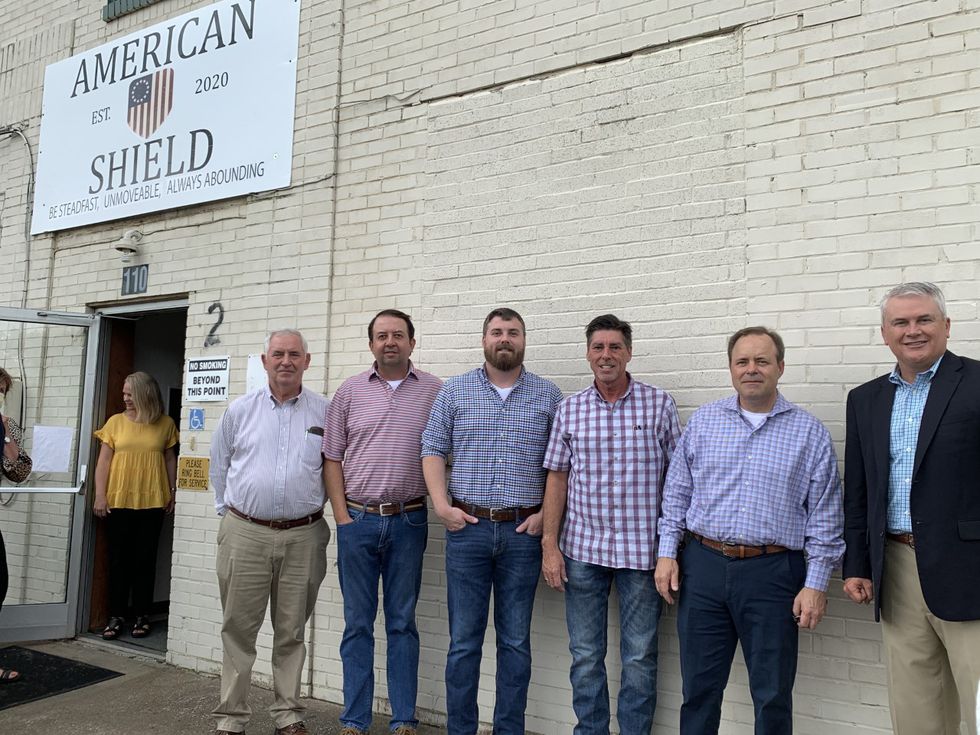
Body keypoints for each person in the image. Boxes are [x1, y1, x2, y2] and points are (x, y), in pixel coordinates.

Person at [655, 326, 844, 734]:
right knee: (699, 691)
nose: (752, 369)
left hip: (773, 574)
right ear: (730, 368)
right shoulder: (705, 422)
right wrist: (667, 553)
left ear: (780, 366)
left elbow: (825, 516)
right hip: (702, 568)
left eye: (762, 360)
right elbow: (677, 495)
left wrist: (816, 584)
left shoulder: (808, 433)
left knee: (772, 693)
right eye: (743, 361)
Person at [843, 282, 980, 735]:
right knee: (916, 709)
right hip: (897, 567)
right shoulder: (865, 399)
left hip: (970, 568)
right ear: (885, 333)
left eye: (923, 319)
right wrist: (857, 564)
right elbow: (859, 491)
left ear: (946, 326)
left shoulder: (977, 382)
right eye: (900, 322)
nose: (913, 330)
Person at [421, 307, 563, 735]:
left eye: (513, 332)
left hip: (523, 535)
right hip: (469, 532)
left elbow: (561, 466)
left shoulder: (549, 396)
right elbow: (432, 448)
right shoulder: (456, 391)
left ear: (524, 340)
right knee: (464, 643)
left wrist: (545, 517)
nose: (505, 338)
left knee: (515, 643)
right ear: (484, 339)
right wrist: (442, 506)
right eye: (497, 332)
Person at [541, 314, 681, 735]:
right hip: (583, 551)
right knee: (585, 655)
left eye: (615, 347)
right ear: (588, 354)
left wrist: (670, 550)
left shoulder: (659, 404)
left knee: (640, 657)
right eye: (598, 347)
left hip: (643, 555)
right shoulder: (570, 408)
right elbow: (557, 477)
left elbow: (679, 477)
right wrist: (550, 545)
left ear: (629, 353)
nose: (606, 355)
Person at [323, 309, 443, 735]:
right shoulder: (350, 392)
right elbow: (332, 457)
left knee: (401, 622)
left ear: (412, 342)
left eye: (398, 335)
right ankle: (354, 719)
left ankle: (404, 719)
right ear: (371, 343)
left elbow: (447, 453)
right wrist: (342, 516)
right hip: (358, 519)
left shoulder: (435, 391)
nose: (389, 341)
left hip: (409, 520)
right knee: (357, 624)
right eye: (381, 335)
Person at [209, 329, 330, 735]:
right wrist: (230, 517)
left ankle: (288, 715)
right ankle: (231, 718)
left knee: (292, 631)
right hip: (245, 532)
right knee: (238, 629)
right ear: (264, 361)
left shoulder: (326, 413)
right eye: (277, 354)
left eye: (294, 354)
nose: (285, 361)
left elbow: (334, 471)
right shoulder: (239, 411)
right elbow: (219, 468)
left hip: (304, 535)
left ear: (306, 362)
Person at [93, 371, 178, 640]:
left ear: (145, 393)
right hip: (118, 501)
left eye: (130, 393)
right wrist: (100, 495)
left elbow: (169, 460)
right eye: (124, 393)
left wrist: (173, 492)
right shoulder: (115, 422)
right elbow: (104, 462)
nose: (125, 398)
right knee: (119, 561)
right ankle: (116, 616)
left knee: (145, 560)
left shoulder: (164, 424)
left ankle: (142, 615)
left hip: (153, 500)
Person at [0, 367, 32, 683]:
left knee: (0, 581)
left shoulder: (6, 426)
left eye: (1, 392)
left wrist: (7, 436)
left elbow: (20, 472)